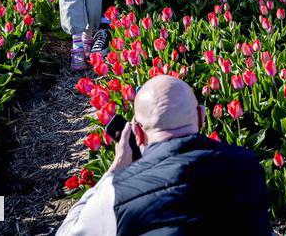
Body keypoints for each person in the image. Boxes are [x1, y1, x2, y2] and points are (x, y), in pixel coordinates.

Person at [56, 76, 271, 235]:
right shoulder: (247, 165)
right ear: (201, 117)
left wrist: (115, 169)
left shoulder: (116, 194)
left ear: (137, 132)